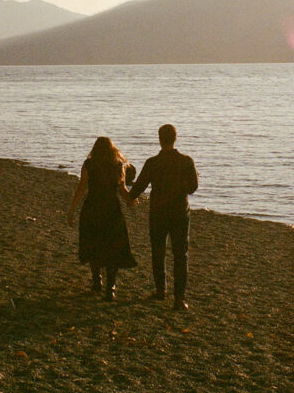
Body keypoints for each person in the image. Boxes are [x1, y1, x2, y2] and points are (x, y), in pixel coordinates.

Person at [126, 124, 198, 310]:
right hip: (180, 212)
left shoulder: (152, 162)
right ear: (175, 138)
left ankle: (161, 290)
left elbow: (140, 185)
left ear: (159, 139)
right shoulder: (186, 161)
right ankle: (179, 298)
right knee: (180, 254)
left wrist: (129, 197)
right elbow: (192, 187)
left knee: (158, 252)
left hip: (158, 212)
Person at [67, 137, 137, 300]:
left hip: (92, 208)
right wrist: (131, 200)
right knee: (112, 246)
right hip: (111, 210)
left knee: (94, 244)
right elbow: (122, 190)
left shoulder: (89, 164)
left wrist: (72, 210)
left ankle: (96, 280)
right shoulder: (118, 165)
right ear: (113, 150)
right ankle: (110, 286)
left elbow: (82, 187)